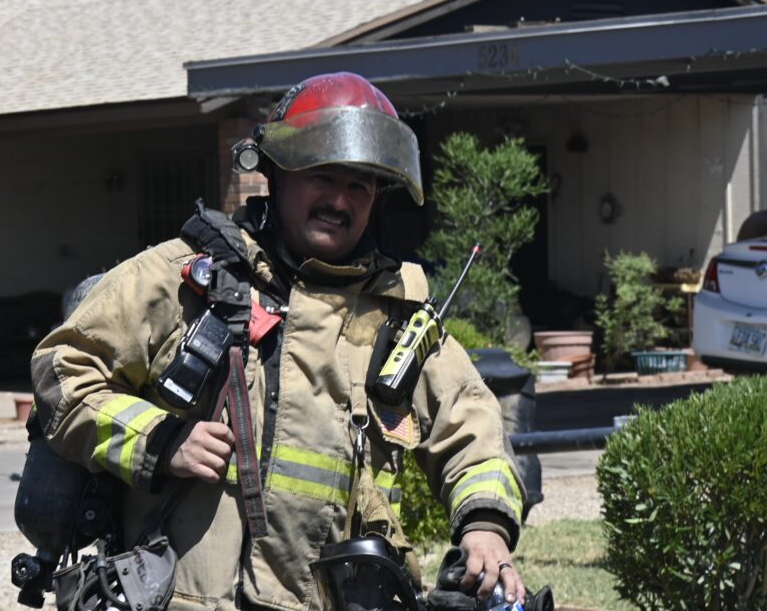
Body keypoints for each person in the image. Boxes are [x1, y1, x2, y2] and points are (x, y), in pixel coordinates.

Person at [30, 72, 526, 611]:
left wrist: (486, 527)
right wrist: (161, 440)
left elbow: (471, 427)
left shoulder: (399, 317)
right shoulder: (184, 281)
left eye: (359, 186)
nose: (339, 200)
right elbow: (61, 372)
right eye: (322, 177)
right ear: (276, 174)